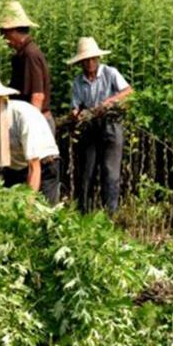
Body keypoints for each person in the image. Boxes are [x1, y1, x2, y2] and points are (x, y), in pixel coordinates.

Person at [0, 63, 61, 204]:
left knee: (42, 213)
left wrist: (28, 207)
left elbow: (35, 167)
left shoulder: (22, 116)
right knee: (9, 211)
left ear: (0, 98)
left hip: (44, 166)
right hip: (15, 168)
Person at [67, 36, 134, 214]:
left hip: (111, 125)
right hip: (90, 128)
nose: (89, 63)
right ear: (80, 62)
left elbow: (128, 91)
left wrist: (108, 102)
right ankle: (84, 213)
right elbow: (76, 106)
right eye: (85, 60)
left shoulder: (110, 73)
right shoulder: (78, 82)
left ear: (98, 58)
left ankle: (110, 214)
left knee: (110, 171)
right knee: (87, 172)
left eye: (92, 59)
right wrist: (76, 114)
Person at [0, 1, 55, 135]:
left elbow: (37, 96)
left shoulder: (30, 55)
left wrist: (32, 127)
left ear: (13, 30)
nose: (3, 37)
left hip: (37, 121)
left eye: (4, 32)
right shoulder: (22, 54)